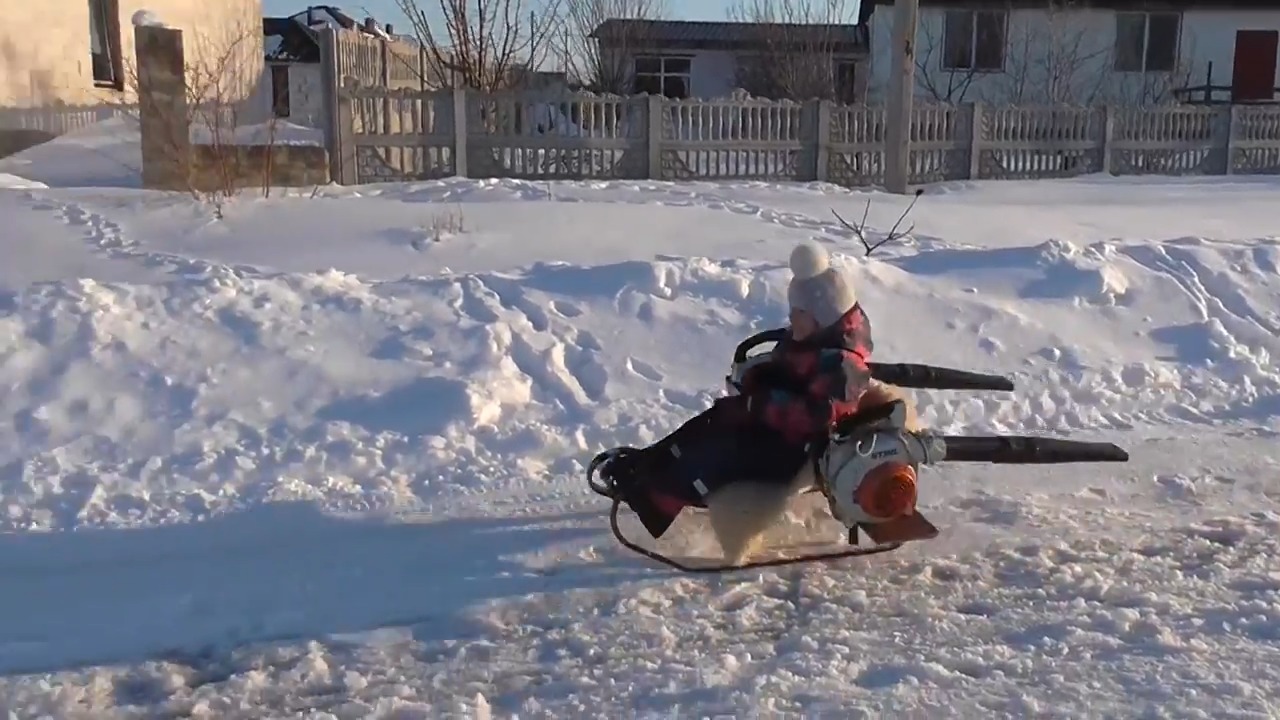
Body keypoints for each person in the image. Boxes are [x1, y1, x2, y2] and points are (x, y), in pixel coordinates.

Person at [604, 240, 919, 564]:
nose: (791, 318)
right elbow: (793, 375)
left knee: (712, 455)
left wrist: (761, 404)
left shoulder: (841, 366)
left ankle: (654, 495)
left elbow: (819, 415)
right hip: (779, 433)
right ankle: (647, 466)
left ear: (821, 317)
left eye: (799, 313)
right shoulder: (818, 345)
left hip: (793, 452)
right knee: (709, 424)